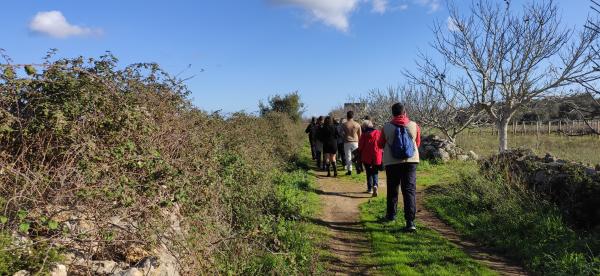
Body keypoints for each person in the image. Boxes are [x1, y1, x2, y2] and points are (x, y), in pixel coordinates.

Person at [378, 103, 421, 232]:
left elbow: (380, 144)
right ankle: (410, 222)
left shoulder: (386, 127)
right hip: (410, 161)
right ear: (405, 112)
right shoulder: (414, 125)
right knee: (409, 191)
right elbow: (417, 144)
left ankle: (391, 215)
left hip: (392, 162)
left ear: (393, 113)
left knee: (392, 189)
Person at [358, 119, 383, 197]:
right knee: (375, 171)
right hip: (376, 155)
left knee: (368, 172)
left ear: (364, 127)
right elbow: (382, 143)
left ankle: (370, 189)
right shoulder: (378, 133)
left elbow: (360, 146)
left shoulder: (364, 134)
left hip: (366, 156)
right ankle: (375, 185)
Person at [342, 111, 362, 175]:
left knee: (348, 156)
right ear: (353, 116)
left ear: (347, 116)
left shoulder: (344, 124)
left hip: (347, 142)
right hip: (355, 142)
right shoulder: (357, 124)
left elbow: (341, 134)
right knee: (356, 156)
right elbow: (360, 135)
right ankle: (357, 168)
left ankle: (349, 170)